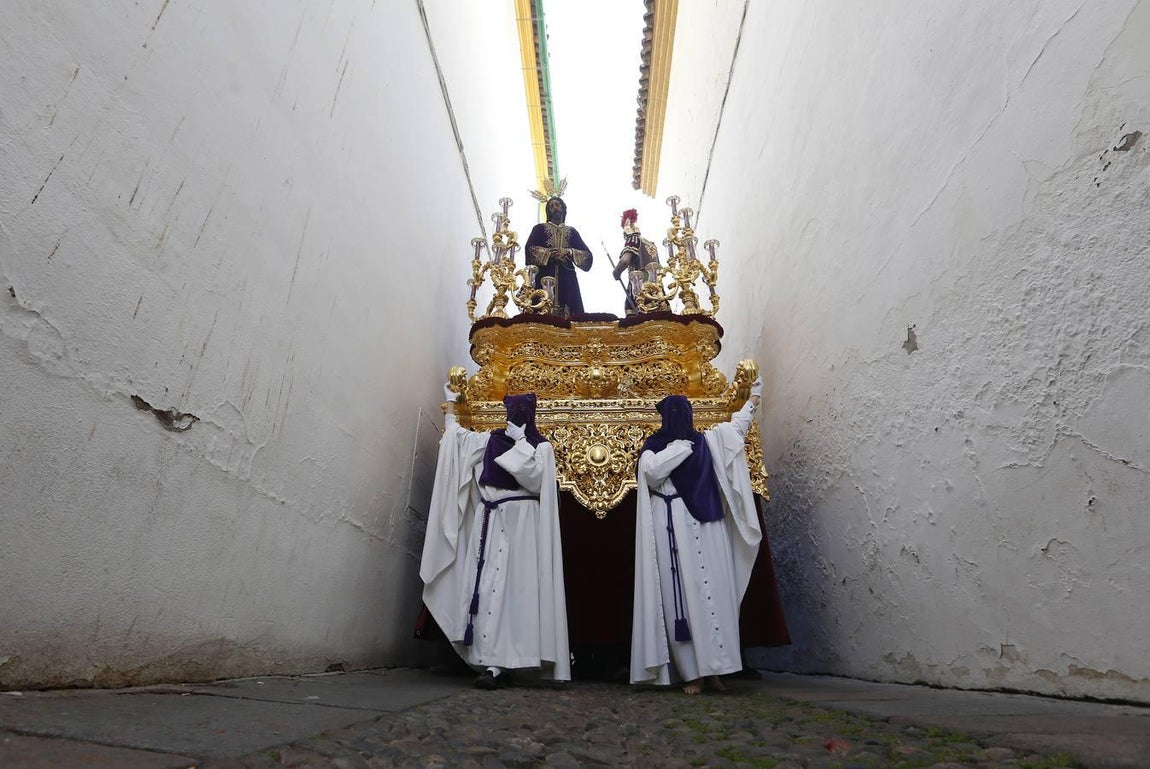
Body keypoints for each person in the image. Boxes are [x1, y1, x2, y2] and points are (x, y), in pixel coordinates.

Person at [420, 390, 570, 689]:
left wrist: (521, 442)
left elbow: (535, 479)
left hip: (524, 526)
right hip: (490, 520)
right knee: (487, 586)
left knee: (518, 588)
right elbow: (456, 440)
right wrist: (452, 406)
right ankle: (490, 661)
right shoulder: (489, 441)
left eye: (523, 411)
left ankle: (516, 657)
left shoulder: (541, 447)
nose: (518, 416)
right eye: (513, 410)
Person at [630, 381, 763, 694]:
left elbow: (736, 429)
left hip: (707, 527)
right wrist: (680, 446)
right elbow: (650, 473)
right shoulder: (656, 446)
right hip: (672, 526)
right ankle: (693, 673)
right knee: (682, 596)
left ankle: (716, 670)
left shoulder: (708, 441)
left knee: (715, 592)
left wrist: (753, 400)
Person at [525, 197, 593, 318]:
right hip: (544, 276)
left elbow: (587, 257)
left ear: (563, 208)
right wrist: (551, 254)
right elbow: (530, 250)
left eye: (557, 205)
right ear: (548, 211)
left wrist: (569, 252)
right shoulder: (539, 229)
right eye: (551, 206)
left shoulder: (572, 232)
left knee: (570, 317)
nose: (555, 208)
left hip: (567, 279)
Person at [613, 208, 664, 315]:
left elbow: (624, 261)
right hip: (658, 293)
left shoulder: (633, 239)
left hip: (640, 291)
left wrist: (616, 271)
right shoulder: (652, 244)